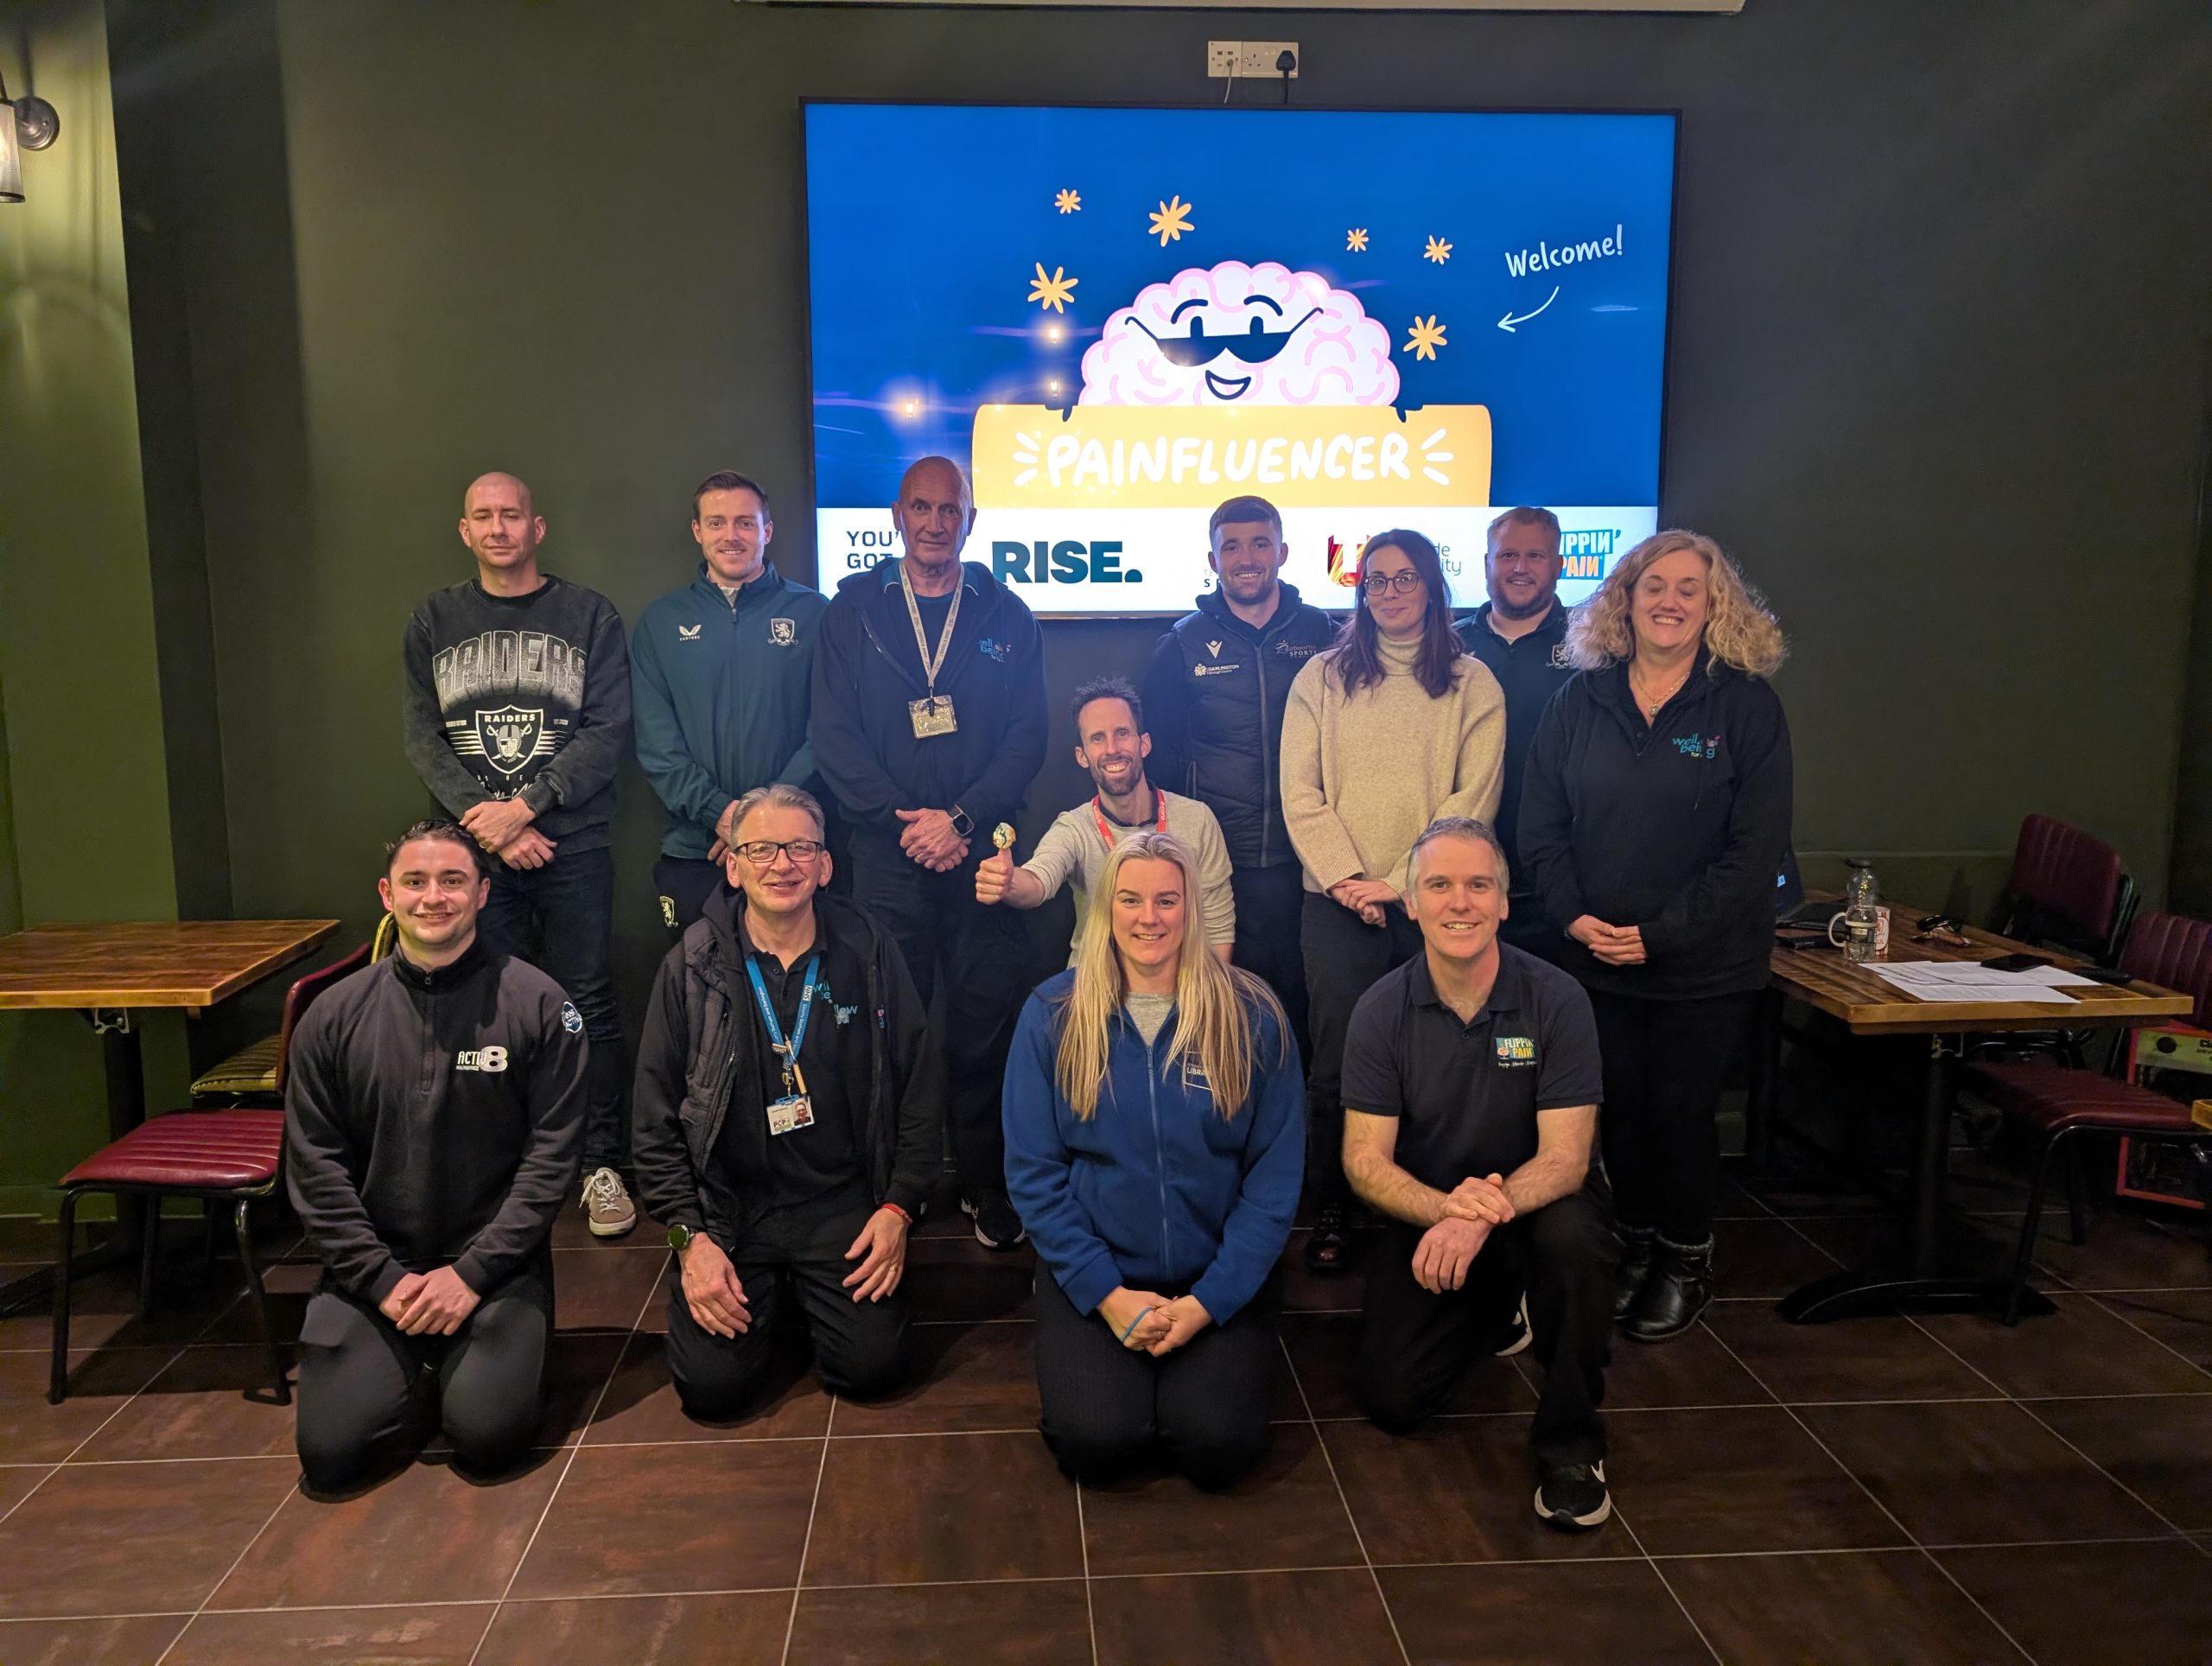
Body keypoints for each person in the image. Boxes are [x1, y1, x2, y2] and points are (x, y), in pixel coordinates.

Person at [1518, 530, 1793, 1341]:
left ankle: (1686, 1258)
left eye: (1690, 589)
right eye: (1654, 587)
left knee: (1679, 1115)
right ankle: (1635, 1245)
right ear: (1624, 601)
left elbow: (1757, 852)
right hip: (1594, 958)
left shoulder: (1745, 706)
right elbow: (1540, 827)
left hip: (1702, 966)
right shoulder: (1580, 699)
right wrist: (1573, 916)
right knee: (1620, 1115)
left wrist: (1660, 935)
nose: (1670, 602)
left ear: (1716, 606)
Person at [285, 820, 585, 1493]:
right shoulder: (332, 1016)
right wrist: (383, 1281)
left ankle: (461, 1368)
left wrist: (474, 1273)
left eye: (453, 880)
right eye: (416, 882)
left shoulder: (540, 1005)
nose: (434, 897)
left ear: (482, 892)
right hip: (373, 1271)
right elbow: (316, 1171)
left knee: (488, 1440)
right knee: (330, 1457)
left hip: (494, 1267)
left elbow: (551, 1163)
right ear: (388, 895)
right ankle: (414, 1361)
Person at [1001, 830, 1304, 1489]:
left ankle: (1192, 1379)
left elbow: (1274, 1182)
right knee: (1099, 1445)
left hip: (1214, 1276)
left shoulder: (1253, 1012)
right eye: (1131, 900)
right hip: (1098, 1275)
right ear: (1105, 909)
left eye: (1167, 900)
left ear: (1192, 908)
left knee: (1218, 1448)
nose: (1149, 918)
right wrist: (1106, 1296)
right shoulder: (1052, 1012)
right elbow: (1033, 1173)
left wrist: (1209, 1302)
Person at [1340, 817, 1614, 1530]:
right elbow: (1363, 1159)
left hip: (1535, 1203)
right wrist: (1445, 1214)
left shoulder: (1556, 1000)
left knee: (1574, 1245)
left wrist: (1475, 1216)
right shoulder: (1379, 1012)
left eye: (1477, 885)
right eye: (1439, 885)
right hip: (1429, 1210)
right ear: (1411, 902)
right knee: (1394, 1402)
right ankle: (1495, 1305)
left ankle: (1573, 1446)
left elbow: (1565, 1158)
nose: (1459, 902)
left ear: (1503, 901)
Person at [631, 785, 938, 1415]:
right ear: (733, 864)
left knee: (873, 1370)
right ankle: (780, 1295)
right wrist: (690, 1240)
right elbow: (653, 1119)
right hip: (732, 1210)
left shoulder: (870, 949)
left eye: (801, 847)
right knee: (713, 1392)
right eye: (762, 849)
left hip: (842, 1200)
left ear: (825, 865)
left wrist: (900, 1207)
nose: (782, 864)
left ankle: (806, 1298)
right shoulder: (691, 964)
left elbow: (921, 1087)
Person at [811, 455, 1047, 1251]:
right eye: (922, 508)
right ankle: (899, 1188)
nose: (937, 523)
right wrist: (901, 820)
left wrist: (958, 819)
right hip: (884, 855)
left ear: (970, 520)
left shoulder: (1007, 614)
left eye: (951, 510)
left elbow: (1028, 740)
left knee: (985, 1024)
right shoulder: (852, 613)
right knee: (889, 1028)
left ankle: (987, 1183)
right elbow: (832, 736)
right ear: (897, 516)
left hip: (982, 853)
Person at [402, 470, 637, 1238]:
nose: (499, 528)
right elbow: (422, 738)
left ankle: (603, 1164)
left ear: (538, 528)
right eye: (483, 517)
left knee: (587, 1003)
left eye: (512, 515)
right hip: (473, 856)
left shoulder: (589, 614)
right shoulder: (433, 620)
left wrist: (527, 808)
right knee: (482, 1006)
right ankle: (501, 1171)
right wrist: (490, 825)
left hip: (574, 842)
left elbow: (607, 732)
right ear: (464, 531)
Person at [1281, 529, 1506, 1275]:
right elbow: (1300, 795)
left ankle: (1434, 1207)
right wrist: (1351, 881)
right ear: (1361, 593)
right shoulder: (1320, 677)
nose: (1390, 593)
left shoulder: (1475, 684)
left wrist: (1405, 886)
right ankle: (1337, 1202)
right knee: (1337, 1064)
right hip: (1337, 906)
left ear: (1432, 586)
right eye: (1375, 581)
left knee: (1440, 1060)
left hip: (1437, 909)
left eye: (1405, 578)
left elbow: (1472, 803)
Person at [1143, 495, 1335, 1060]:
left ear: (1282, 551)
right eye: (1232, 546)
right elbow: (1162, 762)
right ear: (1212, 557)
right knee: (1227, 1021)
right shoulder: (1179, 645)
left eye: (1259, 543)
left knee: (1307, 1018)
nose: (1246, 557)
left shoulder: (1325, 634)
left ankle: (1304, 1141)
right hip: (1222, 872)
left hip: (1312, 868)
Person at [632, 470, 827, 938]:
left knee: (797, 990)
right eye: (716, 523)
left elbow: (826, 732)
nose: (731, 536)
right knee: (698, 995)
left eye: (745, 523)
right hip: (696, 848)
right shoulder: (661, 622)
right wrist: (719, 814)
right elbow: (658, 743)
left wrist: (760, 827)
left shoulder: (816, 614)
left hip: (793, 853)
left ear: (767, 531)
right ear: (698, 532)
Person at [976, 675, 1236, 965]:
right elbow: (1038, 883)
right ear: (1082, 755)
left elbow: (1218, 928)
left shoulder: (1196, 820)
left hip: (1179, 985)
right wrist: (1008, 883)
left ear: (1144, 744)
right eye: (1097, 738)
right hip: (1094, 989)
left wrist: (1205, 1001)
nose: (1112, 748)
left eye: (1122, 733)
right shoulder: (1074, 828)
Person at [1456, 508, 1576, 954]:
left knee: (1546, 1015)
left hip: (1557, 877)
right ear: (1486, 562)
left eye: (1535, 556)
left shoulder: (1595, 646)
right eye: (1507, 554)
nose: (1520, 568)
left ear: (1559, 565)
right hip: (1460, 872)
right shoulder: (1447, 645)